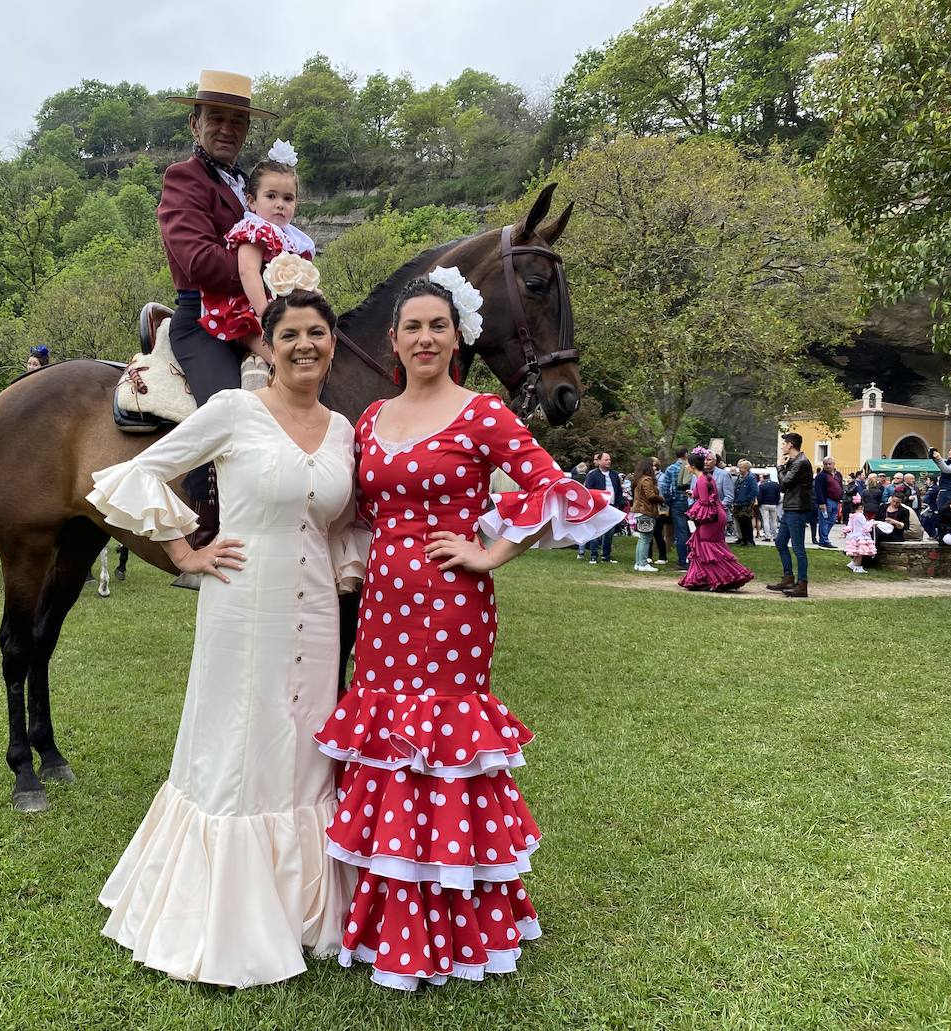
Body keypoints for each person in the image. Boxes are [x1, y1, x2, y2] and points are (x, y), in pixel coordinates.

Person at [313, 274, 622, 991]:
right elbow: (353, 511)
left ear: (458, 337)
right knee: (389, 744)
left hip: (453, 608)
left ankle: (456, 923)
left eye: (437, 326)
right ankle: (388, 912)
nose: (424, 337)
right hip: (384, 606)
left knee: (443, 749)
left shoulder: (483, 414)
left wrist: (489, 551)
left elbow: (551, 487)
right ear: (393, 341)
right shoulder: (371, 420)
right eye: (412, 326)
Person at [87, 289, 364, 987]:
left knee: (305, 751)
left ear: (333, 344)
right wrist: (186, 553)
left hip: (317, 614)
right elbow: (140, 471)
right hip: (243, 605)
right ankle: (224, 920)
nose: (306, 344)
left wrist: (352, 570)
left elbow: (344, 521)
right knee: (242, 751)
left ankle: (304, 913)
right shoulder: (233, 410)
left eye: (318, 333)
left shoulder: (341, 431)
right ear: (267, 346)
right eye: (291, 333)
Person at [158, 69, 277, 542]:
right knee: (228, 409)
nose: (228, 128)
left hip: (258, 312)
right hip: (202, 321)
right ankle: (207, 526)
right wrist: (272, 272)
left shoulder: (250, 186)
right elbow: (200, 260)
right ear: (194, 124)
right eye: (217, 118)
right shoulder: (183, 179)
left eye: (238, 121)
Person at [199, 140, 314, 368]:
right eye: (271, 196)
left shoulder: (290, 237)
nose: (280, 204)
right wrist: (265, 314)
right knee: (282, 361)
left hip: (283, 314)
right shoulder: (255, 229)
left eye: (287, 198)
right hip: (249, 314)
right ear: (251, 201)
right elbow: (247, 271)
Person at [678, 447, 753, 592]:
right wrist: (693, 494)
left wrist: (693, 513)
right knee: (714, 548)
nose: (686, 466)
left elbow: (705, 502)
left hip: (712, 517)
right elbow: (706, 494)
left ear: (692, 467)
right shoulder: (707, 478)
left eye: (687, 464)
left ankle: (717, 579)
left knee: (705, 547)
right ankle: (710, 578)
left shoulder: (701, 480)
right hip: (718, 515)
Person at [768, 432, 814, 597]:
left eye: (784, 443)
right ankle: (788, 578)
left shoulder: (801, 462)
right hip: (790, 507)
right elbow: (787, 483)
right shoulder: (795, 462)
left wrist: (780, 466)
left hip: (798, 508)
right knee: (780, 542)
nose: (782, 446)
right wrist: (785, 466)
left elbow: (784, 484)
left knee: (798, 547)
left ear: (790, 445)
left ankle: (802, 584)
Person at [583, 451, 623, 564]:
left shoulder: (614, 475)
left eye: (609, 459)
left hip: (612, 507)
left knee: (609, 532)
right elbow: (589, 491)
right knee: (596, 532)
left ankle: (606, 556)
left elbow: (619, 490)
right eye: (606, 459)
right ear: (599, 461)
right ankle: (593, 555)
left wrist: (619, 504)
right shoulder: (592, 475)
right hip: (599, 508)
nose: (608, 461)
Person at [658, 446, 693, 569]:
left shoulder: (671, 469)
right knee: (689, 531)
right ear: (686, 454)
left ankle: (683, 560)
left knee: (680, 532)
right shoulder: (691, 468)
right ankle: (691, 556)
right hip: (690, 501)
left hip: (676, 502)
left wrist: (667, 501)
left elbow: (665, 487)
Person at [630, 457, 664, 572]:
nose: (655, 467)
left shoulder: (639, 479)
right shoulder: (647, 480)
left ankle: (639, 563)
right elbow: (650, 496)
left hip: (640, 512)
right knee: (645, 539)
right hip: (646, 512)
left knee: (642, 539)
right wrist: (661, 499)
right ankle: (643, 564)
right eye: (653, 465)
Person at [813, 457, 842, 548]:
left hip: (835, 501)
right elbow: (818, 490)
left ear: (834, 464)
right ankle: (824, 540)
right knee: (824, 520)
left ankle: (824, 537)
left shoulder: (838, 475)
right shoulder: (821, 476)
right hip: (826, 501)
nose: (828, 466)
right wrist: (821, 503)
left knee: (832, 520)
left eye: (829, 464)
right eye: (826, 464)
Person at [844, 496, 876, 574]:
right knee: (860, 553)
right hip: (861, 536)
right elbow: (865, 526)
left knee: (856, 552)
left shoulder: (852, 516)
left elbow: (849, 526)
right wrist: (871, 523)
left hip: (854, 536)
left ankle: (853, 563)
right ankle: (857, 566)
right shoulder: (860, 515)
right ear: (860, 507)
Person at [733, 460, 758, 546]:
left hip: (746, 504)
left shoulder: (751, 478)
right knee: (741, 522)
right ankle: (744, 539)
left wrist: (747, 500)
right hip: (738, 503)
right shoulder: (740, 477)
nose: (739, 469)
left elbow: (755, 491)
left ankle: (750, 540)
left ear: (746, 468)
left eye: (741, 467)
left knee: (746, 522)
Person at [757, 472, 781, 541]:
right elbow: (778, 495)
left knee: (766, 520)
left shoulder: (762, 485)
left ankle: (767, 536)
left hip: (764, 504)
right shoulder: (775, 485)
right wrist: (776, 502)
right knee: (774, 521)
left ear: (764, 477)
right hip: (773, 504)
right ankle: (775, 535)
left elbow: (759, 496)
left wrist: (759, 504)